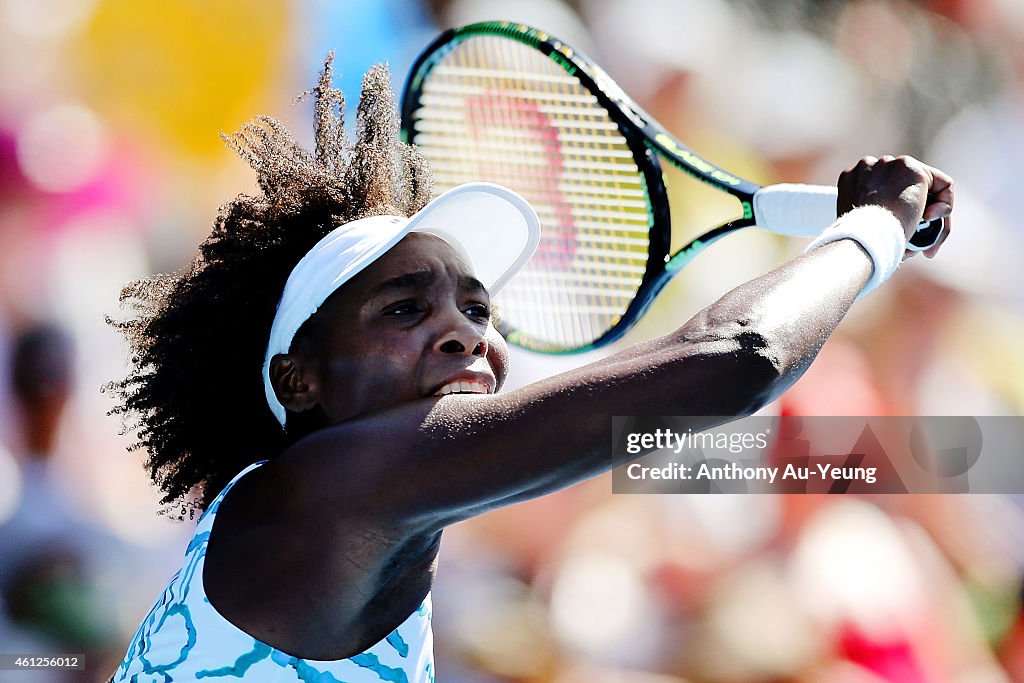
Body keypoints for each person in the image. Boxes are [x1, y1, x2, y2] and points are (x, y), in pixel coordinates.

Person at [109, 56, 953, 682]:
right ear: (301, 381)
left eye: (478, 309)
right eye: (405, 309)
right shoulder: (328, 487)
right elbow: (739, 359)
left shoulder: (337, 525)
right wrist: (874, 229)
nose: (463, 333)